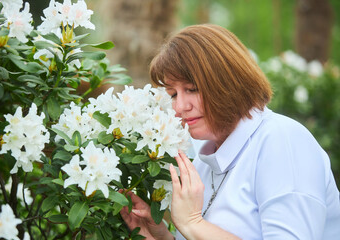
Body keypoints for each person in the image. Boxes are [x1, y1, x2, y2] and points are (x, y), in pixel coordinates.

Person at [120, 24, 340, 239]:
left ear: (228, 82)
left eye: (192, 89)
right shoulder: (204, 161)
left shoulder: (283, 141)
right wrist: (160, 237)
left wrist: (192, 223)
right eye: (173, 94)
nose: (179, 107)